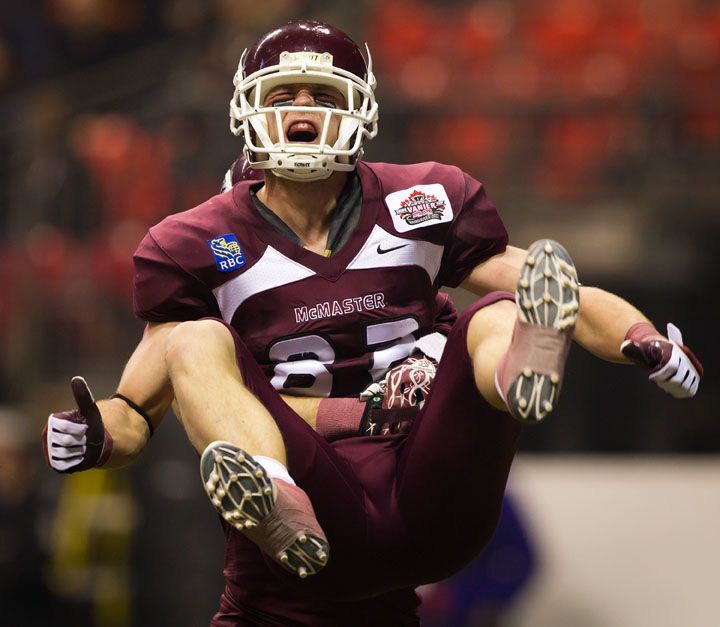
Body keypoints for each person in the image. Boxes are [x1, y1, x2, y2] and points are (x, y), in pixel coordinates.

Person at [42, 20, 703, 626]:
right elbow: (137, 402)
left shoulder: (422, 204)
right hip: (318, 501)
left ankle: (519, 370)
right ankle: (270, 489)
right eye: (285, 94)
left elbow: (557, 288)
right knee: (193, 336)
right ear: (250, 112)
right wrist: (96, 434)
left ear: (358, 108)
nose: (300, 110)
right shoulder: (197, 245)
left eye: (320, 94)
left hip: (421, 481)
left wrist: (640, 336)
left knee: (503, 308)